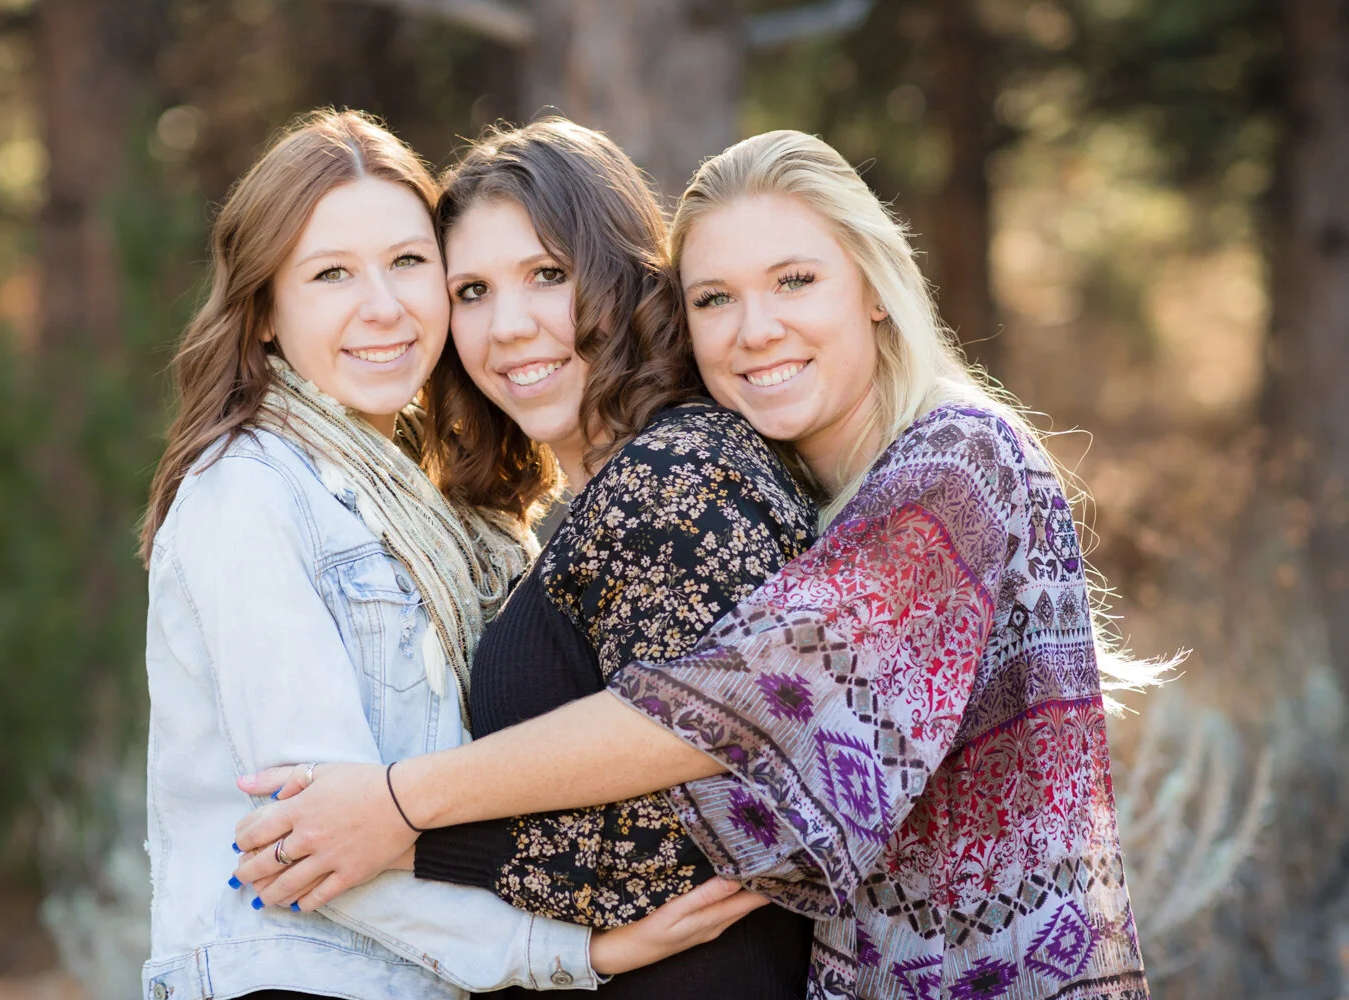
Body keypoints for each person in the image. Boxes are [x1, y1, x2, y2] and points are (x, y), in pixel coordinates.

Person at [233, 129, 1157, 1000]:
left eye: (795, 281)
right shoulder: (796, 489)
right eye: (715, 298)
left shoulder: (952, 463)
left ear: (876, 285)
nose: (756, 330)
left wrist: (400, 816)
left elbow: (738, 712)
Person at [138, 108, 760, 1000]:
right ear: (264, 312)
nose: (383, 306)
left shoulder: (436, 510)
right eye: (331, 274)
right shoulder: (248, 494)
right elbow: (318, 834)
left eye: (407, 263)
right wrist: (578, 952)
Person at [410, 120, 816, 997]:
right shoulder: (612, 494)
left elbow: (715, 829)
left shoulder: (679, 475)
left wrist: (401, 832)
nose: (507, 327)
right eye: (472, 291)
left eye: (546, 275)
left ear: (622, 273)